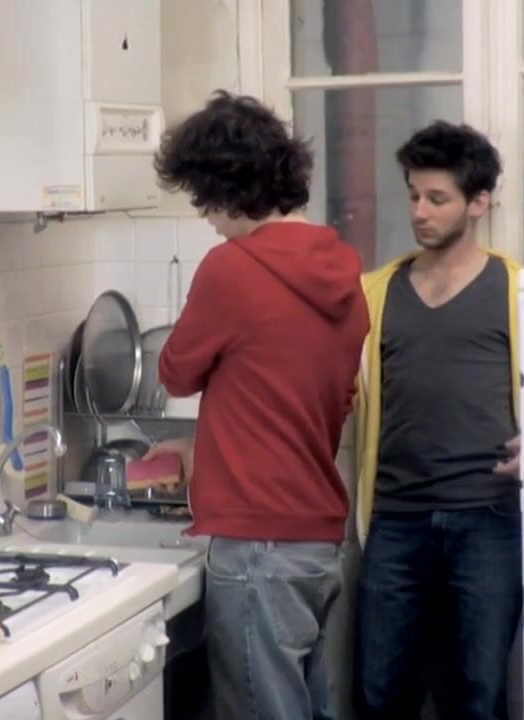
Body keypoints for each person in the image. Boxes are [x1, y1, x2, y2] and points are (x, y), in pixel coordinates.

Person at [143, 91, 370, 720]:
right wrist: (210, 445)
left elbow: (175, 373)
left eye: (202, 198)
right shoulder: (343, 272)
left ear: (226, 188)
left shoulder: (232, 269)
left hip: (258, 545)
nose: (206, 217)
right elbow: (311, 399)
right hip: (317, 538)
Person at [352, 120, 523, 719]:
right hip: (395, 519)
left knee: (477, 697)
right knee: (380, 695)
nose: (419, 212)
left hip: (488, 518)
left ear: (479, 203)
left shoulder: (516, 289)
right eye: (413, 196)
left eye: (437, 198)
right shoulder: (375, 293)